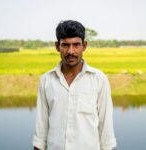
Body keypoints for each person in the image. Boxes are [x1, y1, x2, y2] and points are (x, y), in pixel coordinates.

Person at [33, 20, 117, 150]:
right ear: (57, 46)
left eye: (76, 45)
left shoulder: (99, 79)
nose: (71, 51)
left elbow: (106, 129)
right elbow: (41, 129)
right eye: (65, 45)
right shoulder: (46, 80)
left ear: (84, 46)